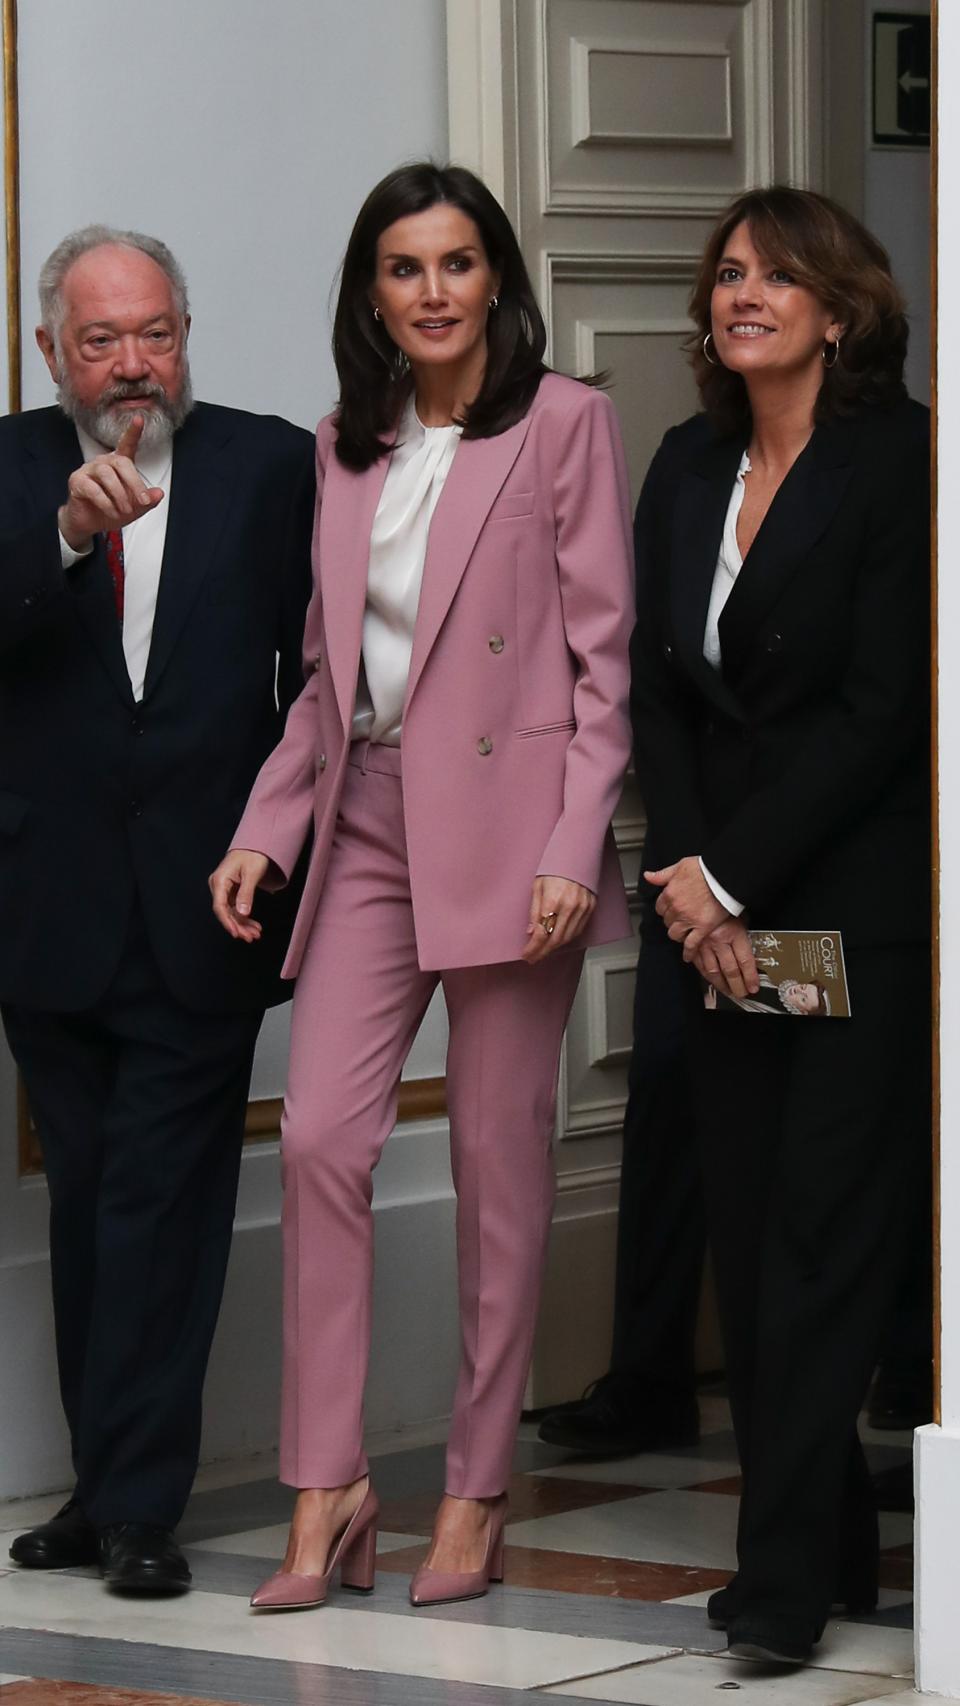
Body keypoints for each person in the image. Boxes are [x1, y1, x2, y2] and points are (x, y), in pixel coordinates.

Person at [210, 161, 634, 1613]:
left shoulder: (566, 424)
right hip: (373, 822)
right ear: (371, 294)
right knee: (323, 1134)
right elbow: (327, 679)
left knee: (498, 1174)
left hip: (516, 833)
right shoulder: (345, 444)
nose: (435, 291)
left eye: (458, 263)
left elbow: (602, 667)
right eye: (405, 268)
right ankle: (327, 1486)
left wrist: (576, 847)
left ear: (497, 280)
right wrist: (269, 826)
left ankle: (472, 1488)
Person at [630, 187, 930, 1664]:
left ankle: (783, 1588)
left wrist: (733, 874)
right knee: (749, 1248)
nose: (743, 294)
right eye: (729, 273)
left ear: (840, 306)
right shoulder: (685, 466)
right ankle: (832, 1555)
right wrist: (690, 885)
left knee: (823, 1243)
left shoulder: (904, 463)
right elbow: (659, 690)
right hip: (721, 932)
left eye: (776, 275)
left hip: (853, 922)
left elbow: (883, 713)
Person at [1, 227, 314, 1594]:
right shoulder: (9, 470)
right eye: (101, 339)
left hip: (210, 902)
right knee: (87, 1206)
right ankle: (99, 1483)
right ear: (49, 350)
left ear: (187, 330)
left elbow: (319, 672)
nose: (133, 365)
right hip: (47, 911)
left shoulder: (268, 464)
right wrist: (64, 539)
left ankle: (138, 1505)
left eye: (156, 333)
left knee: (164, 1205)